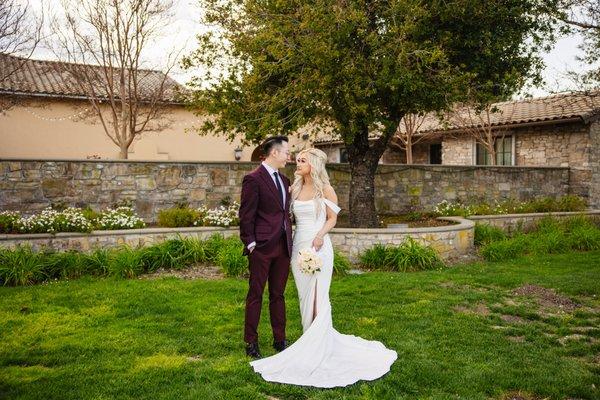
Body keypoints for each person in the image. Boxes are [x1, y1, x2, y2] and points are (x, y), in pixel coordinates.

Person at [249, 147, 397, 388]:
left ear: (314, 164)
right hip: (298, 247)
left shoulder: (326, 189)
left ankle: (319, 346)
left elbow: (332, 218)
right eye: (296, 160)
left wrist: (319, 236)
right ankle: (310, 339)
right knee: (305, 297)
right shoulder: (293, 188)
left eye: (302, 161)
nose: (296, 164)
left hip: (319, 246)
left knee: (319, 297)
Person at [238, 136, 293, 359]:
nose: (289, 156)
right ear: (274, 153)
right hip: (261, 247)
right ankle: (251, 342)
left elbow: (284, 213)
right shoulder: (253, 179)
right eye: (286, 152)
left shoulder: (285, 180)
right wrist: (250, 243)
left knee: (278, 295)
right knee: (255, 295)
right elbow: (246, 214)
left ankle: (280, 339)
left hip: (283, 247)